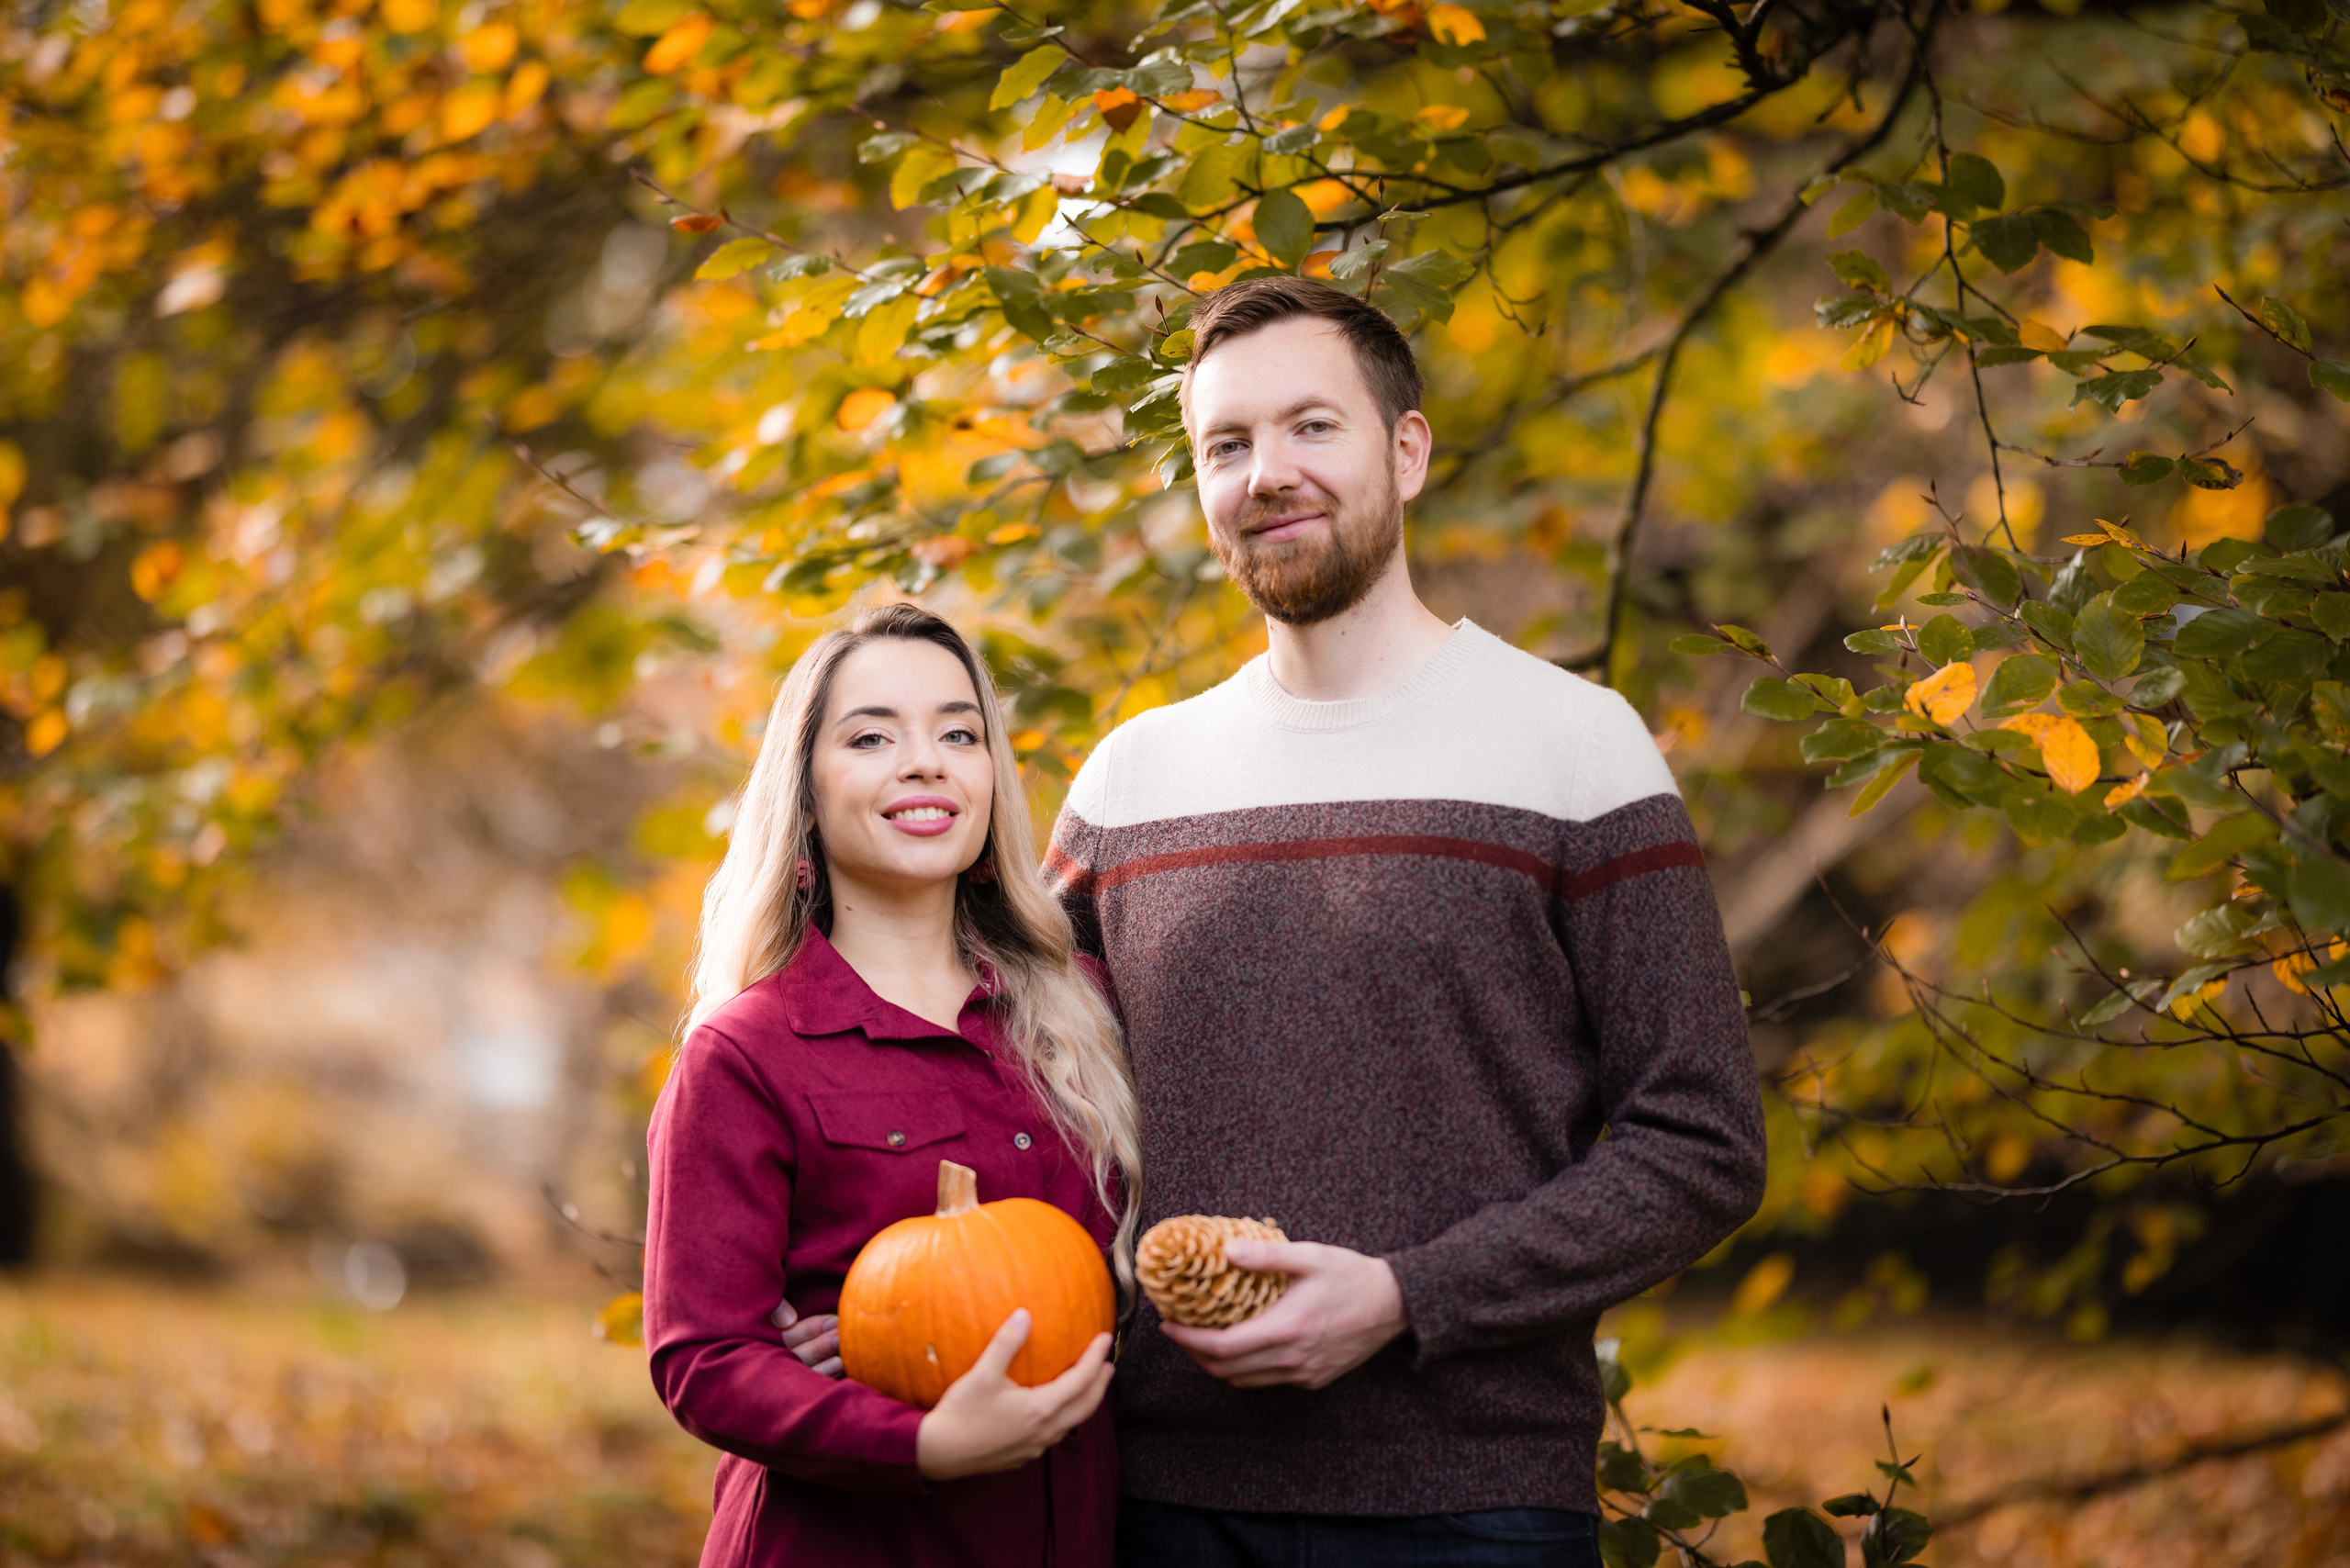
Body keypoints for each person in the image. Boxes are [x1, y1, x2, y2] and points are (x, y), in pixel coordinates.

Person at [1046, 277, 1766, 1568]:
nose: (1269, 473)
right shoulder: (1126, 782)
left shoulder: (1573, 746)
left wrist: (1404, 1298)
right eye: (1228, 444)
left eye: (1312, 427)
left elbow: (1701, 1139)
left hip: (1476, 1504)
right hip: (1163, 1500)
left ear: (1408, 450)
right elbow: (1022, 1106)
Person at [643, 603, 1143, 1568]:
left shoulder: (1078, 1010)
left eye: (958, 733)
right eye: (872, 736)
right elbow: (701, 1356)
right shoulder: (748, 1050)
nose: (926, 762)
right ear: (806, 790)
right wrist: (917, 1439)